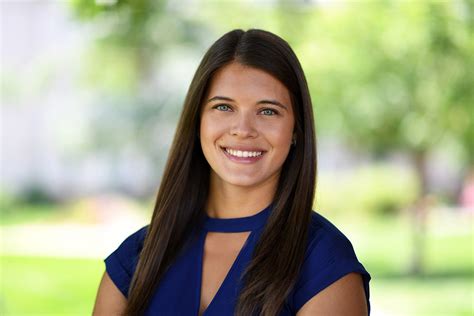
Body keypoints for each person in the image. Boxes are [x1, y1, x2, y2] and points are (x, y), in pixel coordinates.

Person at [93, 29, 371, 316]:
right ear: (198, 119)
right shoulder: (137, 257)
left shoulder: (323, 262)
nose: (243, 130)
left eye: (268, 111)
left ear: (296, 130)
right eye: (224, 107)